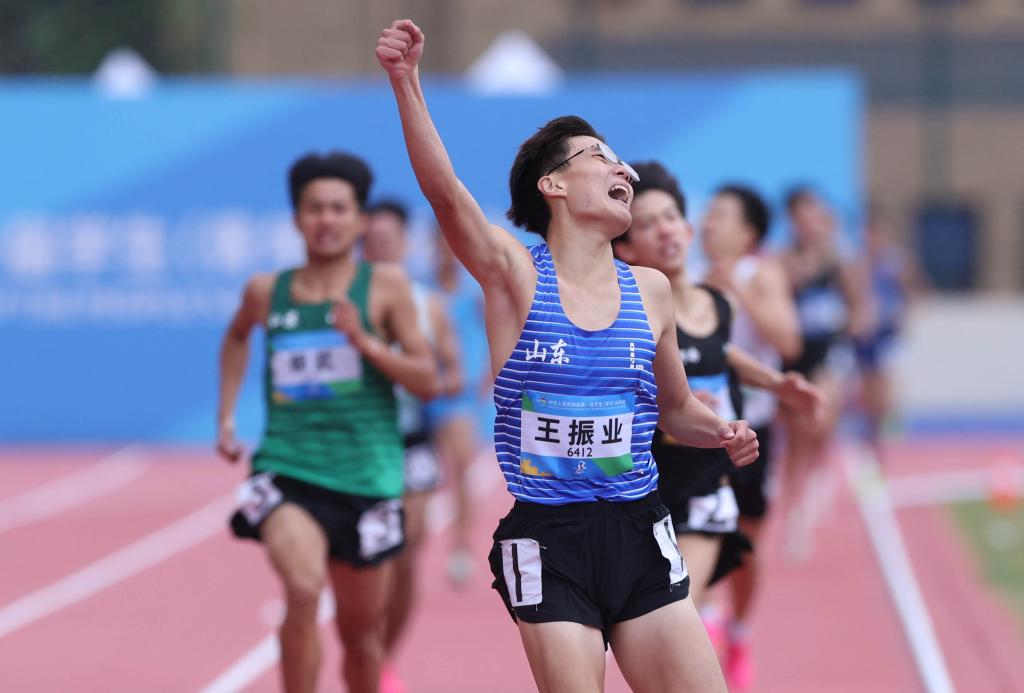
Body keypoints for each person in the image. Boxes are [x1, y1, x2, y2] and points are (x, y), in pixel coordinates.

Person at [377, 20, 758, 693]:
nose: (624, 170)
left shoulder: (652, 290)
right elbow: (445, 195)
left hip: (639, 525)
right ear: (553, 184)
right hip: (549, 539)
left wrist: (720, 430)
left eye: (623, 162)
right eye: (600, 156)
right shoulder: (516, 276)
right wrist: (406, 82)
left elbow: (675, 408)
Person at [216, 153, 438, 693]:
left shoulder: (385, 287)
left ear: (360, 220)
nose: (326, 220)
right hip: (289, 467)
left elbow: (427, 379)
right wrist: (226, 415)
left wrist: (366, 342)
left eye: (339, 209)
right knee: (302, 588)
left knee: (360, 637)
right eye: (314, 208)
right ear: (297, 218)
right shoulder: (267, 292)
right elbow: (237, 336)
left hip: (368, 478)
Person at [613, 164, 823, 609]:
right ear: (627, 247)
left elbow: (727, 350)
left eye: (671, 217)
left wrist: (776, 383)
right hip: (648, 476)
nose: (666, 230)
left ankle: (733, 627)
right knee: (650, 611)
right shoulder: (631, 307)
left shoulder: (728, 293)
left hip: (722, 459)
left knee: (703, 584)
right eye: (648, 223)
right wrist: (676, 407)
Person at [700, 183, 806, 687]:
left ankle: (738, 631)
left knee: (743, 544)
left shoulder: (761, 273)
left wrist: (736, 292)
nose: (708, 223)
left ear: (748, 231)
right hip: (700, 432)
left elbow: (788, 341)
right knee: (693, 532)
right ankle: (700, 624)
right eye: (707, 214)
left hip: (753, 430)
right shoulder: (687, 276)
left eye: (720, 215)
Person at [363, 199, 464, 693]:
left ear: (404, 243)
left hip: (413, 444)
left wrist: (415, 380)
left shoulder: (429, 306)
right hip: (361, 445)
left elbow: (454, 375)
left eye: (389, 240)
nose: (381, 248)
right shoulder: (345, 305)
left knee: (405, 559)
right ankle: (363, 651)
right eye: (372, 241)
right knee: (367, 565)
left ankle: (383, 660)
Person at [776, 187, 874, 560]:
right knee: (796, 436)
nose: (809, 225)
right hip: (795, 352)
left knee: (820, 417)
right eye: (801, 219)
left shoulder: (840, 261)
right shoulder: (783, 260)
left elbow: (861, 306)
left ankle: (817, 478)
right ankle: (795, 513)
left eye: (814, 217)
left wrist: (850, 328)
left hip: (831, 351)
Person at [853, 204, 919, 464]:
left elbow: (912, 291)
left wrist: (899, 317)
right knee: (867, 393)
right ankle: (870, 439)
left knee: (884, 389)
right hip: (864, 338)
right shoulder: (858, 263)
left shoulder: (896, 262)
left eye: (875, 233)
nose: (870, 238)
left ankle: (883, 430)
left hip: (887, 335)